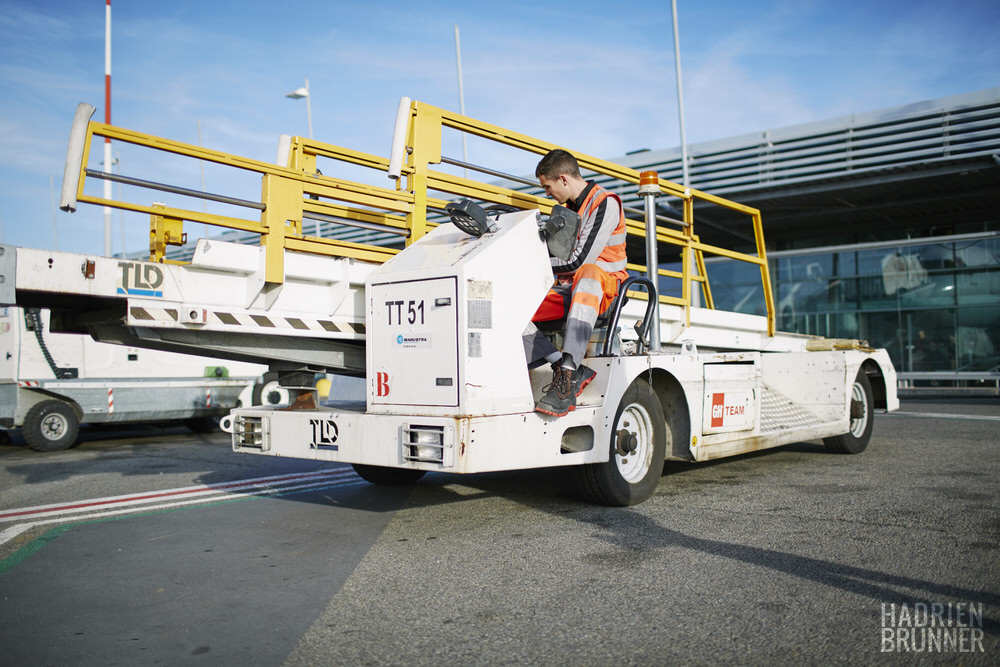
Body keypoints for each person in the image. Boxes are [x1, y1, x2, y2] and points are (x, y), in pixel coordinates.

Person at [527, 149, 628, 417]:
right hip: (569, 289)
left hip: (604, 290)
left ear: (562, 179)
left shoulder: (605, 202)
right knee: (514, 307)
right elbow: (556, 257)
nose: (547, 194)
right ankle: (561, 364)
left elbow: (578, 261)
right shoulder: (566, 211)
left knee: (589, 272)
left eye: (547, 186)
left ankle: (569, 375)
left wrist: (533, 266)